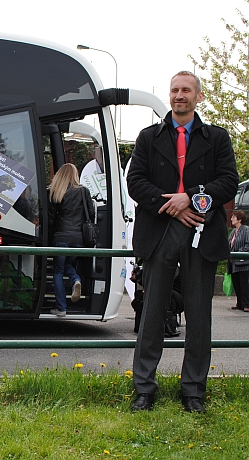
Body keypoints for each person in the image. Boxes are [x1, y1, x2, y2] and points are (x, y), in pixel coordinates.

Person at [127, 71, 238, 413]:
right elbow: (135, 182)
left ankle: (193, 392)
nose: (179, 95)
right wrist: (172, 207)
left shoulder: (217, 138)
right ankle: (144, 390)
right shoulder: (148, 137)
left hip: (202, 236)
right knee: (152, 315)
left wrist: (189, 198)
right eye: (175, 90)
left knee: (200, 318)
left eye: (186, 90)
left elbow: (228, 182)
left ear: (198, 97)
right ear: (170, 96)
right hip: (159, 233)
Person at [48, 163, 94, 316]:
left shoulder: (56, 191)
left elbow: (50, 218)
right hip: (79, 239)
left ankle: (61, 308)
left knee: (58, 271)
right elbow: (91, 213)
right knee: (68, 263)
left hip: (60, 237)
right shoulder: (83, 191)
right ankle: (75, 279)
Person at [228, 210, 249, 312]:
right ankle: (239, 302)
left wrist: (239, 253)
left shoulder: (246, 230)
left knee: (244, 283)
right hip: (233, 263)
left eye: (233, 217)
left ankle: (246, 304)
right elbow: (229, 244)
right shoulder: (233, 232)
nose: (231, 219)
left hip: (243, 262)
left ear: (239, 219)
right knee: (236, 283)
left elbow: (247, 244)